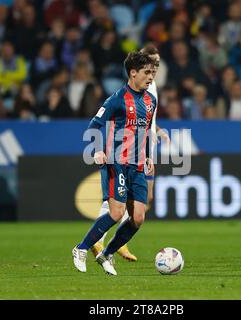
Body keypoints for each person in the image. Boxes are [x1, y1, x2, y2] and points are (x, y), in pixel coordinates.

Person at [72, 51, 156, 276]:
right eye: (147, 73)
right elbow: (94, 125)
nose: (151, 77)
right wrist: (98, 150)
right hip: (116, 162)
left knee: (138, 218)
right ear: (133, 73)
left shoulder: (151, 101)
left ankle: (107, 254)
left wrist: (148, 155)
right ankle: (81, 248)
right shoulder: (117, 98)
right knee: (116, 213)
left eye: (153, 73)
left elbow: (145, 131)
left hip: (137, 166)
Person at [90, 45, 169, 262]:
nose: (154, 70)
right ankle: (100, 240)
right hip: (126, 153)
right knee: (121, 200)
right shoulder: (138, 86)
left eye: (157, 66)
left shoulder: (151, 89)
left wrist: (157, 131)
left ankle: (119, 241)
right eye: (151, 64)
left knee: (143, 200)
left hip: (144, 152)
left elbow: (147, 120)